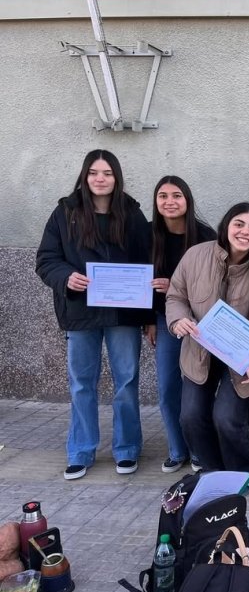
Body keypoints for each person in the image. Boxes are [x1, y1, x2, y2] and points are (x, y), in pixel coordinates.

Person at [35, 149, 152, 480]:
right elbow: (46, 259)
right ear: (85, 177)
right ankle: (81, 451)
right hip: (80, 312)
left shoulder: (132, 213)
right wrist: (65, 278)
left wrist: (148, 311)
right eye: (94, 173)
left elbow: (147, 260)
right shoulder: (65, 212)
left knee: (126, 381)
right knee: (81, 383)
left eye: (107, 173)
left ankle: (127, 449)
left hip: (123, 314)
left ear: (117, 178)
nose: (101, 179)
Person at [167, 203, 249, 481]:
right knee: (190, 416)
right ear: (226, 225)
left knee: (227, 418)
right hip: (198, 350)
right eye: (239, 224)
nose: (245, 232)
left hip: (242, 360)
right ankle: (213, 472)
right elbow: (176, 295)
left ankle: (242, 472)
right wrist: (178, 319)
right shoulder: (196, 256)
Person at [146, 176, 215, 474]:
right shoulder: (148, 236)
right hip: (166, 321)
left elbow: (213, 279)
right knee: (168, 387)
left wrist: (174, 281)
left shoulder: (205, 235)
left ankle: (200, 449)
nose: (170, 201)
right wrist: (148, 320)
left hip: (202, 322)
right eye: (163, 196)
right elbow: (139, 282)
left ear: (187, 200)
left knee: (199, 385)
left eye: (176, 195)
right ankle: (177, 449)